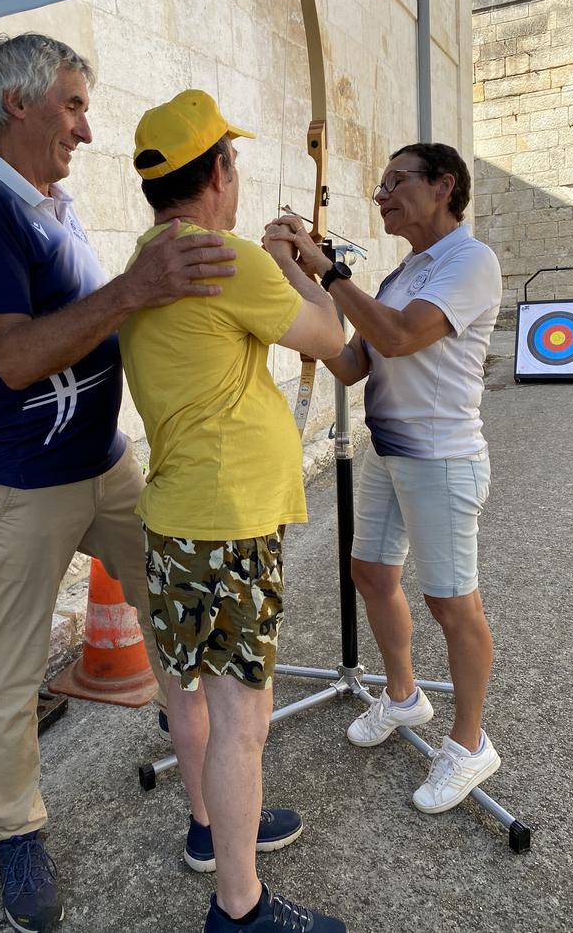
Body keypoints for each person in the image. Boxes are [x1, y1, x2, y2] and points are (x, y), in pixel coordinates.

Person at [0, 34, 239, 933]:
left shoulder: (55, 205)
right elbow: (19, 355)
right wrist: (133, 291)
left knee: (178, 615)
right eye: (72, 105)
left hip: (106, 465)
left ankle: (213, 799)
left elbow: (93, 321)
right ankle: (18, 833)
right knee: (15, 670)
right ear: (19, 103)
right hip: (24, 482)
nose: (87, 128)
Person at [119, 89, 346, 933]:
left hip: (181, 520)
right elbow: (332, 340)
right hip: (227, 526)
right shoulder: (223, 259)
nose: (237, 174)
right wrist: (300, 262)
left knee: (202, 700)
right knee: (243, 722)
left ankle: (215, 834)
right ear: (217, 171)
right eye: (234, 161)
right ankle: (239, 910)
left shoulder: (150, 259)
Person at [266, 143, 503, 814]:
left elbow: (399, 338)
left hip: (441, 456)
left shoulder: (468, 261)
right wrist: (294, 278)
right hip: (390, 451)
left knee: (452, 604)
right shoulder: (403, 274)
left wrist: (331, 270)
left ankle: (468, 744)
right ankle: (403, 696)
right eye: (380, 183)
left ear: (443, 185)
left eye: (395, 181)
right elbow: (349, 363)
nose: (380, 194)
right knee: (369, 573)